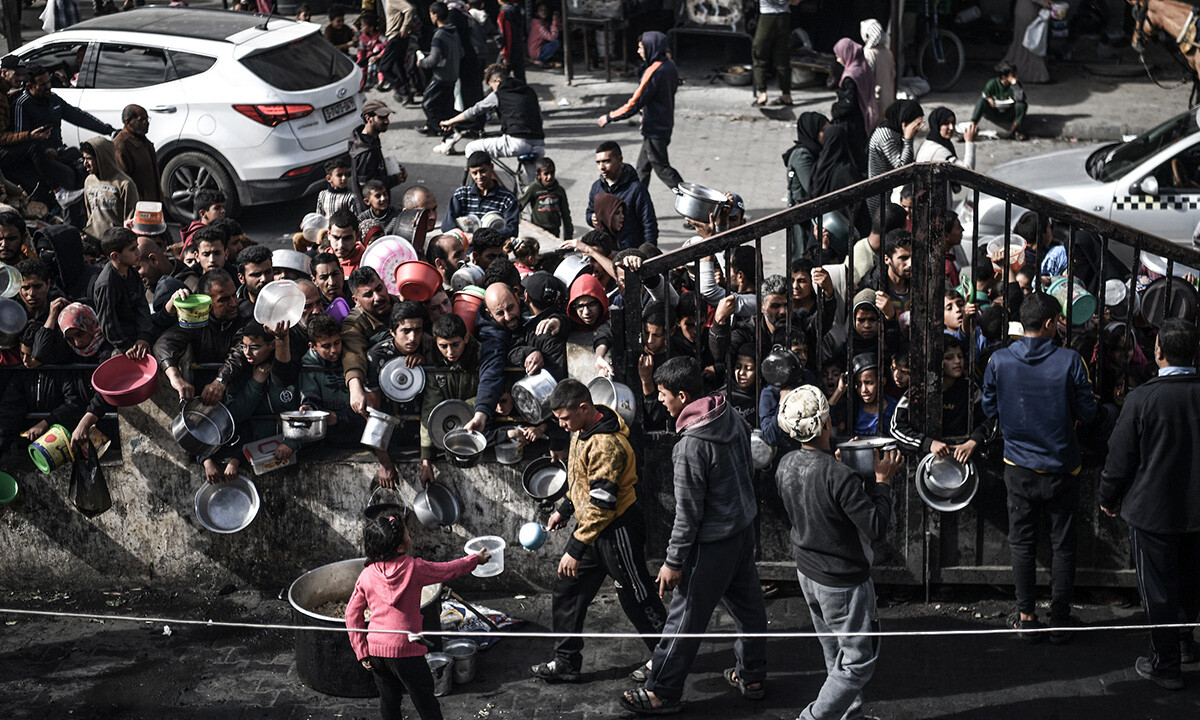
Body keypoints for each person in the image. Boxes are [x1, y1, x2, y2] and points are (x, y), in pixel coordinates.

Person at [620, 356, 768, 715]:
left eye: (664, 395)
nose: (659, 402)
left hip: (713, 545)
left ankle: (663, 691)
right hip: (741, 532)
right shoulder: (728, 412)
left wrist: (673, 562)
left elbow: (688, 514)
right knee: (750, 609)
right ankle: (752, 677)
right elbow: (747, 469)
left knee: (684, 619)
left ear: (683, 396)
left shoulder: (689, 446)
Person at [775, 385, 902, 720]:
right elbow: (875, 527)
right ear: (827, 424)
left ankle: (850, 715)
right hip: (842, 582)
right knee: (858, 662)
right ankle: (814, 718)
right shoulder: (838, 475)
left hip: (808, 572)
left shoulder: (786, 464)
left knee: (834, 652)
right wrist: (883, 483)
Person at [530, 379, 667, 683]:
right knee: (566, 588)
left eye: (565, 419)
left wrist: (574, 549)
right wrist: (564, 510)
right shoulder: (581, 430)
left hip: (617, 530)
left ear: (583, 407)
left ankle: (667, 658)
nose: (562, 426)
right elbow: (580, 481)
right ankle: (566, 661)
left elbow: (603, 504)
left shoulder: (607, 445)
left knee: (636, 594)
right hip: (591, 528)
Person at [982, 291, 1098, 643]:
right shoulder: (1071, 361)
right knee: (1063, 545)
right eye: (1059, 320)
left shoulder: (999, 360)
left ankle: (1027, 616)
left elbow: (989, 410)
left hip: (1018, 467)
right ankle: (1060, 619)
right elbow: (1089, 413)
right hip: (1063, 467)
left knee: (1023, 543)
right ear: (1048, 323)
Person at [1100, 318, 1200, 689]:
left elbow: (1120, 458)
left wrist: (1108, 497)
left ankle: (1166, 663)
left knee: (1158, 590)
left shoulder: (1143, 398)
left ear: (1157, 351)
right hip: (1193, 513)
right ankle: (1184, 643)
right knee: (1190, 582)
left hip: (1153, 512)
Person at [346, 514, 487, 720]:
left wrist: (361, 651)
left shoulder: (366, 575)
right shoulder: (414, 568)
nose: (410, 535)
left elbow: (351, 614)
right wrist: (475, 559)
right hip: (406, 651)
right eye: (408, 533)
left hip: (376, 651)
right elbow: (449, 570)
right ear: (402, 546)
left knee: (389, 701)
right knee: (425, 700)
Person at [597, 32, 683, 192]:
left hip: (654, 129)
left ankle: (693, 201)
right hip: (664, 124)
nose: (638, 51)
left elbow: (634, 103)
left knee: (662, 169)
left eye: (641, 47)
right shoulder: (669, 65)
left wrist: (609, 117)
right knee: (642, 169)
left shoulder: (654, 72)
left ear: (651, 47)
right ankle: (635, 204)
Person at [439, 63, 544, 162]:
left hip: (516, 143)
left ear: (497, 81)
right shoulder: (529, 90)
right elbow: (539, 117)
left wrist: (451, 121)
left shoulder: (498, 94)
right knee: (533, 179)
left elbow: (474, 111)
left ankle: (491, 180)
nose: (493, 90)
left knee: (471, 148)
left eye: (492, 86)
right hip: (539, 142)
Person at [586, 141, 657, 250]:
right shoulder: (597, 187)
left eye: (606, 161)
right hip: (606, 251)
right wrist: (592, 218)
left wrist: (648, 252)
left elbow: (649, 224)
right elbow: (589, 213)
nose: (602, 167)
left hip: (630, 253)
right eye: (598, 162)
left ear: (620, 159)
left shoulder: (636, 189)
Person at [93, 228, 151, 359]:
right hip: (119, 341)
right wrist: (125, 346)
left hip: (137, 332)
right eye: (132, 249)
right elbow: (107, 321)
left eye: (137, 247)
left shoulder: (133, 272)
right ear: (115, 256)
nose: (138, 252)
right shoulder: (107, 283)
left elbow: (142, 304)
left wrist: (143, 336)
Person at [441, 151, 520, 238]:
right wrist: (464, 237)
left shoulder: (507, 199)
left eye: (482, 171)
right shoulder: (461, 195)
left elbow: (512, 230)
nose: (479, 177)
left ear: (491, 167)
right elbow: (447, 226)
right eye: (474, 173)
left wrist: (478, 238)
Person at [866, 100, 923, 214]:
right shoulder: (886, 136)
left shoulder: (894, 131)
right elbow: (902, 167)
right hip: (880, 196)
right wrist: (908, 139)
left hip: (889, 191)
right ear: (904, 122)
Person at [349, 99, 407, 209]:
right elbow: (366, 184)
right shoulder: (365, 152)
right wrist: (395, 179)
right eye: (381, 118)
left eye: (387, 117)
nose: (387, 121)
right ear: (368, 118)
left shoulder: (370, 138)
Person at [80, 135, 139, 241]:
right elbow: (89, 211)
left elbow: (131, 219)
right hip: (94, 239)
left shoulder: (125, 184)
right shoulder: (89, 181)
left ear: (102, 158)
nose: (85, 164)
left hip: (116, 242)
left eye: (89, 159)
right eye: (84, 159)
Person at [417, 3, 463, 136]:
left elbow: (433, 60)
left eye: (431, 14)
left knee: (428, 104)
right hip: (453, 75)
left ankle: (442, 130)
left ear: (435, 16)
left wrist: (421, 62)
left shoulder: (439, 35)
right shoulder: (453, 31)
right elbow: (461, 52)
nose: (430, 16)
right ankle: (432, 127)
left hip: (441, 76)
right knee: (445, 106)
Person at [752, 0, 801, 107]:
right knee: (782, 58)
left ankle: (762, 93)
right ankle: (786, 95)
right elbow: (795, 2)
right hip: (784, 18)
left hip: (766, 17)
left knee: (759, 55)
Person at [970, 62, 1029, 141]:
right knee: (981, 102)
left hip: (1008, 113)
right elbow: (985, 95)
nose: (1016, 77)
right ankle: (971, 129)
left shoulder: (1015, 85)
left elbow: (1021, 98)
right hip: (994, 111)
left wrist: (1015, 85)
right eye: (1013, 75)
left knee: (1022, 105)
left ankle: (1014, 131)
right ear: (1004, 77)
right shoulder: (992, 83)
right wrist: (988, 98)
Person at [113, 104, 161, 203]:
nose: (146, 123)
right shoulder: (121, 146)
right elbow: (123, 182)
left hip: (152, 202)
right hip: (139, 206)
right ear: (128, 121)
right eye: (142, 120)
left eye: (147, 119)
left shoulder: (142, 140)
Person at [519, 157, 572, 240]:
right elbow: (520, 204)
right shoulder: (534, 189)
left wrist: (568, 234)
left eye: (552, 173)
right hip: (539, 230)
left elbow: (565, 213)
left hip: (555, 230)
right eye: (546, 174)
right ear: (538, 175)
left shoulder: (559, 190)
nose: (550, 177)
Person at [1003, 0, 1051, 84]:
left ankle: (1031, 73)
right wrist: (1043, 2)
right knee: (1030, 42)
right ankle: (1035, 75)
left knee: (1028, 42)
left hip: (1031, 8)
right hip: (1027, 9)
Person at [860, 19, 895, 128]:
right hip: (889, 98)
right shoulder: (888, 52)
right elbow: (893, 74)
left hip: (876, 101)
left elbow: (867, 78)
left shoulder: (869, 53)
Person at [497, 0, 526, 82]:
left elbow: (506, 36)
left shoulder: (504, 14)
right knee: (520, 77)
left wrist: (505, 55)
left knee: (498, 77)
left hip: (509, 50)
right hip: (518, 48)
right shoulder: (517, 10)